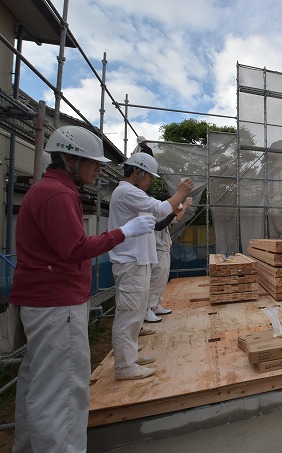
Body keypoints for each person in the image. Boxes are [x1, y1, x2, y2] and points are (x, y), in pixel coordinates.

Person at [9, 125, 155, 452]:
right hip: (57, 303)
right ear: (68, 159)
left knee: (38, 384)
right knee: (64, 390)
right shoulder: (57, 194)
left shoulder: (50, 190)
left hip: (44, 300)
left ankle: (30, 446)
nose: (98, 168)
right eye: (91, 162)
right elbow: (74, 248)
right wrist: (124, 232)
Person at [108, 153, 193, 380]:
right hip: (130, 261)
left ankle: (130, 356)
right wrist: (181, 193)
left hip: (137, 260)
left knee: (135, 312)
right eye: (149, 177)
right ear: (138, 172)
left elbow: (159, 214)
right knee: (128, 314)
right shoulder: (127, 191)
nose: (150, 182)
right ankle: (125, 366)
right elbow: (160, 210)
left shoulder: (132, 192)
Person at [145, 193, 193, 323]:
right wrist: (179, 209)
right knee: (155, 280)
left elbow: (176, 218)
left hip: (164, 250)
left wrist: (186, 205)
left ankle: (156, 305)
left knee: (161, 280)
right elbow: (169, 219)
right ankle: (148, 309)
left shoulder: (163, 215)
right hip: (158, 250)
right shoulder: (155, 214)